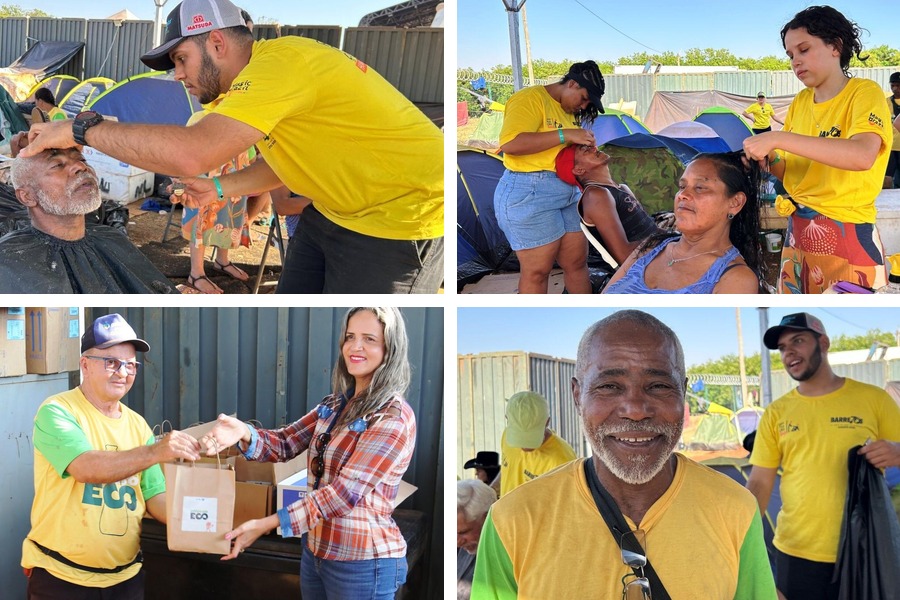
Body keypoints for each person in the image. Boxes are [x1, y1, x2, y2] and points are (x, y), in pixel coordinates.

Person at [23, 0, 443, 295]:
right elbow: (290, 161)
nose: (177, 76)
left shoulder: (280, 66)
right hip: (333, 210)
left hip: (399, 219)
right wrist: (221, 187)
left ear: (217, 44)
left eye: (181, 59)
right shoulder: (254, 89)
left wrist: (82, 129)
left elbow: (193, 153)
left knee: (366, 330)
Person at [471, 310, 777, 599]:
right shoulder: (510, 521)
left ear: (682, 392)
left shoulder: (735, 509)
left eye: (658, 385)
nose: (635, 409)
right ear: (578, 395)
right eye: (609, 386)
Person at [199, 307, 416, 599]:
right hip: (315, 551)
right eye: (350, 337)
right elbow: (286, 442)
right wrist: (243, 431)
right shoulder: (335, 405)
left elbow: (343, 494)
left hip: (362, 563)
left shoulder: (393, 417)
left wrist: (267, 524)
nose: (356, 346)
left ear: (390, 348)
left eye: (369, 339)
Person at [21, 313, 202, 598]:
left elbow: (155, 497)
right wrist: (156, 450)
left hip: (125, 579)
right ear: (84, 365)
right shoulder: (57, 411)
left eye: (131, 365)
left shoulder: (137, 424)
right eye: (111, 362)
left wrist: (208, 519)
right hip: (62, 578)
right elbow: (85, 467)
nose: (123, 372)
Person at [747, 312, 900, 599]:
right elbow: (759, 484)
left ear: (824, 343)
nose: (788, 352)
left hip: (863, 547)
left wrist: (896, 452)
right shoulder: (776, 413)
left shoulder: (874, 399)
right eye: (782, 347)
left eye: (798, 340)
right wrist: (742, 539)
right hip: (795, 551)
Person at [743, 6, 891, 294]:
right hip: (797, 232)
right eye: (790, 55)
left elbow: (862, 156)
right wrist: (769, 157)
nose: (795, 62)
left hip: (847, 231)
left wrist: (778, 139)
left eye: (804, 49)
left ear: (835, 45)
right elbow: (789, 173)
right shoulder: (800, 102)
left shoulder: (863, 93)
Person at [493, 60, 605, 294]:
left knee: (576, 264)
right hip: (530, 192)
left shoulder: (569, 108)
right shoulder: (530, 99)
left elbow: (560, 151)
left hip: (568, 191)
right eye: (584, 98)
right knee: (537, 271)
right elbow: (510, 144)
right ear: (572, 84)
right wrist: (566, 134)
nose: (584, 106)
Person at [0, 147, 179, 293]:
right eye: (57, 165)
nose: (80, 166)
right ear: (27, 196)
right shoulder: (8, 262)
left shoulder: (111, 238)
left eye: (82, 160)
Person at [603, 151, 763, 294]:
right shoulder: (651, 247)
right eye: (682, 186)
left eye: (700, 187)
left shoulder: (735, 278)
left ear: (735, 203)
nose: (683, 195)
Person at [178, 108, 253, 293]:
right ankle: (196, 273)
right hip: (206, 171)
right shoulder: (202, 117)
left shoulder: (244, 109)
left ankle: (222, 261)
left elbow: (250, 150)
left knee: (230, 216)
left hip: (236, 166)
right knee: (202, 218)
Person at [555, 144, 660, 265]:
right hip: (647, 264)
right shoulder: (596, 195)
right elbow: (624, 256)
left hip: (659, 251)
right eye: (585, 151)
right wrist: (668, 244)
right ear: (579, 170)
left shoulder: (621, 188)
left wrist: (676, 238)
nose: (594, 148)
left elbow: (653, 229)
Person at [498, 390, 576, 497]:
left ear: (547, 422)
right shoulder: (506, 436)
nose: (524, 445)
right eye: (519, 436)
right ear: (507, 420)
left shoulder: (562, 461)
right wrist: (491, 490)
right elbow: (507, 468)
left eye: (530, 436)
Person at [457, 479, 496, 600]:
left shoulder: (508, 556)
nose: (457, 542)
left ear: (487, 519)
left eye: (463, 532)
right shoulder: (470, 542)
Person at [885, 72, 900, 189]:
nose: (895, 89)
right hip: (889, 147)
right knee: (886, 179)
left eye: (899, 85)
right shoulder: (885, 102)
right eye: (893, 85)